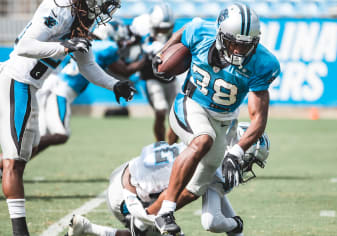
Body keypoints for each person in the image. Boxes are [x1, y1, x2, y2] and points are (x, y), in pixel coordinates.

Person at [0, 0, 135, 235]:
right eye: (102, 3)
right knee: (14, 162)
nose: (103, 9)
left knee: (24, 153)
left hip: (30, 87)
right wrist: (63, 46)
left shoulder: (80, 18)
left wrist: (114, 85)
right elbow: (24, 46)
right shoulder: (60, 8)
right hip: (17, 81)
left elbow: (87, 65)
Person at [149, 3, 280, 235]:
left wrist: (236, 152)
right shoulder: (201, 32)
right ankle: (165, 212)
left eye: (245, 45)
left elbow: (258, 118)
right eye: (234, 43)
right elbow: (186, 30)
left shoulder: (263, 63)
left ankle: (146, 218)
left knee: (196, 188)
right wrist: (163, 53)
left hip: (224, 121)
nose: (239, 51)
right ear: (220, 35)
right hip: (191, 103)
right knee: (203, 140)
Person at [65, 121, 270, 236]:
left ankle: (89, 228)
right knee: (155, 230)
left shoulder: (207, 141)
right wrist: (236, 225)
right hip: (129, 196)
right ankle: (93, 230)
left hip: (124, 173)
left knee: (154, 229)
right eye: (248, 160)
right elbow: (212, 221)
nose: (246, 166)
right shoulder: (214, 169)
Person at [35, 21, 144, 155]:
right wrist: (146, 59)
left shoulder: (90, 45)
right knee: (60, 135)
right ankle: (5, 161)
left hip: (53, 87)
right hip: (59, 91)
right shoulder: (108, 47)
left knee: (44, 136)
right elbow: (125, 70)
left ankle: (7, 164)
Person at [130, 3, 180, 144]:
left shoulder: (174, 35)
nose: (163, 32)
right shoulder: (141, 28)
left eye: (166, 29)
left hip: (171, 78)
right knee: (160, 110)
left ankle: (171, 147)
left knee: (176, 115)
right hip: (151, 78)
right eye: (160, 28)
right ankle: (160, 145)